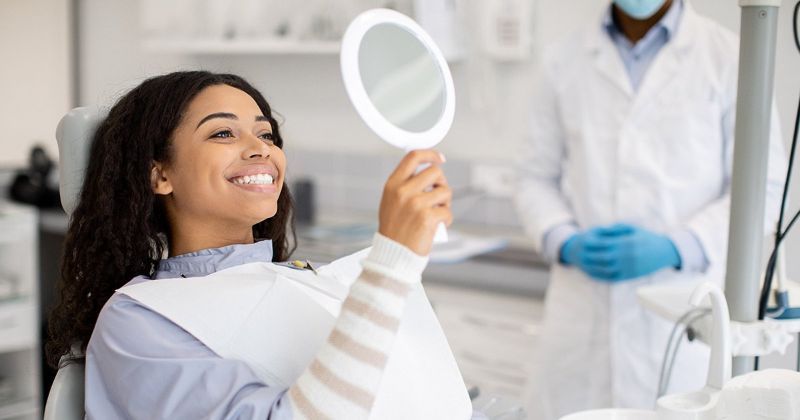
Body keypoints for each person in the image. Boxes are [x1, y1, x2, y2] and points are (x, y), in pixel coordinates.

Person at [46, 71, 482, 419]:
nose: (260, 150)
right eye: (223, 134)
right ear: (159, 174)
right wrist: (392, 262)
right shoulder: (137, 321)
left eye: (267, 135)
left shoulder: (304, 282)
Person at [514, 0, 786, 418]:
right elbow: (533, 176)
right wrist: (563, 240)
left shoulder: (729, 56)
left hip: (684, 318)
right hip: (580, 321)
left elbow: (762, 188)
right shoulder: (562, 60)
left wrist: (679, 246)